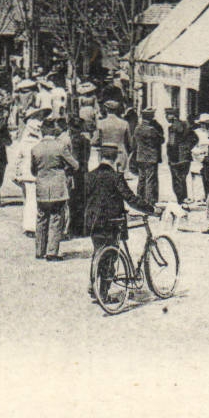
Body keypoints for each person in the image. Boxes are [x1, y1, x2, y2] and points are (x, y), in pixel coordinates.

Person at [83, 147, 157, 297]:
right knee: (111, 256)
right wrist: (151, 209)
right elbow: (130, 198)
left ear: (100, 158)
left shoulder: (89, 176)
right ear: (115, 159)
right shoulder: (116, 177)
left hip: (93, 221)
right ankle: (103, 294)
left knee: (98, 251)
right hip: (112, 222)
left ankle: (93, 284)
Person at [30, 120, 78, 260]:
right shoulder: (60, 147)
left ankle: (39, 250)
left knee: (41, 218)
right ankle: (52, 252)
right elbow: (75, 165)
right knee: (56, 218)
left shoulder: (35, 148)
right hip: (58, 187)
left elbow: (33, 170)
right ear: (53, 131)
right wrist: (63, 169)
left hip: (42, 187)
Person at [12, 108, 45, 236]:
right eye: (37, 118)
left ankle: (32, 225)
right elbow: (18, 157)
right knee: (32, 200)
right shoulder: (27, 138)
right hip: (30, 175)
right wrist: (17, 172)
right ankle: (30, 227)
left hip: (34, 174)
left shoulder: (38, 136)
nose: (39, 122)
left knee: (31, 200)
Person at [129, 108, 164, 206]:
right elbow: (161, 140)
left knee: (141, 178)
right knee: (150, 180)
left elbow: (133, 143)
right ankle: (150, 201)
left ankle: (140, 198)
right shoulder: (152, 129)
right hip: (151, 158)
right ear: (151, 117)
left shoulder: (137, 128)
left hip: (140, 157)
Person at [164, 108, 193, 204]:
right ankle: (184, 199)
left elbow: (172, 143)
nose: (166, 117)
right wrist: (187, 148)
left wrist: (170, 156)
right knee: (183, 179)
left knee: (177, 181)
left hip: (176, 157)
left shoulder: (173, 127)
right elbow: (195, 138)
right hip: (186, 157)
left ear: (172, 116)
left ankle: (181, 201)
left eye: (167, 115)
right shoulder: (186, 125)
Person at [95, 101, 132, 174]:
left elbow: (95, 140)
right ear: (117, 110)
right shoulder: (124, 123)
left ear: (106, 109)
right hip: (120, 152)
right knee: (120, 176)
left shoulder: (101, 123)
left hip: (105, 153)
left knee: (106, 175)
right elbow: (130, 142)